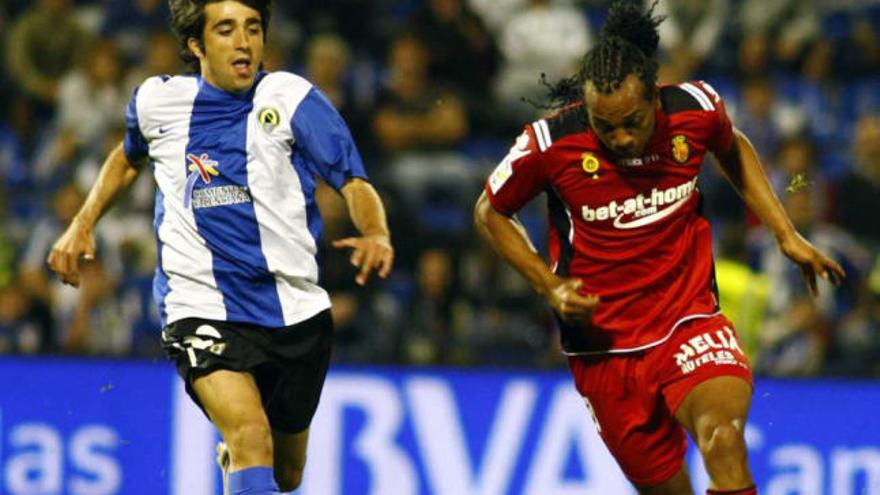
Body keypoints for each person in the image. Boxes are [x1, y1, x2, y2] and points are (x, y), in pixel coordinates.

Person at [473, 2, 844, 494]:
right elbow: (489, 211)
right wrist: (550, 286)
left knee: (724, 439)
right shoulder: (550, 144)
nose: (621, 138)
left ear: (653, 97)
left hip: (688, 319)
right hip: (605, 348)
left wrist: (785, 233)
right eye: (606, 127)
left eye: (632, 121)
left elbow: (730, 144)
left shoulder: (695, 109)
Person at [46, 1, 393, 494]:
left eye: (253, 28)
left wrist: (376, 232)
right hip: (199, 303)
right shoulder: (157, 103)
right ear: (196, 44)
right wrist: (82, 223)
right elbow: (127, 158)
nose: (244, 41)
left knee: (286, 475)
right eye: (226, 30)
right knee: (252, 436)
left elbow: (354, 182)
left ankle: (238, 460)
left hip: (293, 309)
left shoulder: (292, 99)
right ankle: (240, 450)